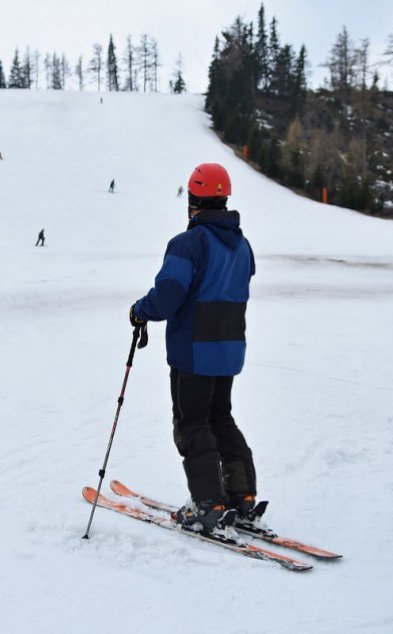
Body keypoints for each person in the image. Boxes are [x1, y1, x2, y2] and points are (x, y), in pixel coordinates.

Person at [129, 162, 257, 535]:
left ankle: (208, 505)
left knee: (192, 423)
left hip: (195, 352)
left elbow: (168, 295)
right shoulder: (242, 244)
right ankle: (241, 496)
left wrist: (140, 311)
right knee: (221, 418)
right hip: (230, 348)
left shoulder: (189, 243)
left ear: (193, 199)